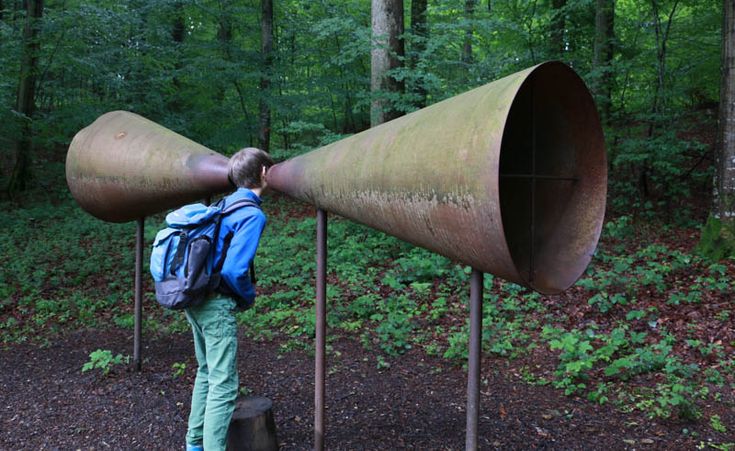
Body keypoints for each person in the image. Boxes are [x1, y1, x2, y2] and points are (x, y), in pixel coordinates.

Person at [185, 147, 274, 451]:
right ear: (264, 172)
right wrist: (247, 297)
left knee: (206, 372)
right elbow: (236, 271)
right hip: (216, 304)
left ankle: (194, 444)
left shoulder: (225, 204)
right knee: (224, 385)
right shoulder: (251, 214)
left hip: (194, 297)